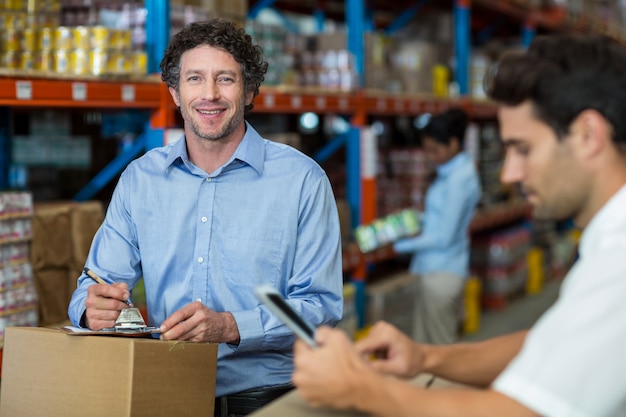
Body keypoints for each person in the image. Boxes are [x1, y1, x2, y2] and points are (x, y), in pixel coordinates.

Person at [292, 33, 626, 417]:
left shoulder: (618, 262)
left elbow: (521, 412)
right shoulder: (606, 246)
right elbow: (549, 344)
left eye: (523, 149)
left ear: (588, 135)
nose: (509, 173)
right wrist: (426, 358)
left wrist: (362, 389)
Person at [68, 19, 344, 416]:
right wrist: (89, 309)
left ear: (249, 91)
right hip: (167, 391)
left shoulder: (302, 181)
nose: (209, 94)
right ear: (175, 93)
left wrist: (231, 326)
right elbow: (92, 285)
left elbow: (320, 310)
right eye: (195, 79)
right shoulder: (140, 179)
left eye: (225, 79)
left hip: (270, 398)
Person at [392, 107, 481, 345]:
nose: (431, 156)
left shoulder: (460, 179)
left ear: (453, 144)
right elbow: (437, 219)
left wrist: (398, 246)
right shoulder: (451, 173)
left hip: (443, 273)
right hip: (432, 269)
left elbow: (444, 236)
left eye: (435, 150)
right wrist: (408, 223)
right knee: (424, 348)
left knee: (442, 352)